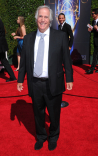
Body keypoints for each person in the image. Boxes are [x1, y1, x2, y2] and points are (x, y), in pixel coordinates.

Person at [17, 5, 73, 151]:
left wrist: (69, 78)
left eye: (46, 17)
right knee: (38, 114)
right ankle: (41, 136)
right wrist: (20, 79)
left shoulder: (60, 36)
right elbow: (23, 62)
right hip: (35, 83)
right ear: (36, 19)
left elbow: (67, 59)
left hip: (53, 82)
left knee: (54, 114)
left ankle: (53, 137)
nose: (43, 20)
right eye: (40, 16)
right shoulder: (28, 38)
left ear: (50, 20)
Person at [58, 13, 73, 107]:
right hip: (60, 47)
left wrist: (70, 46)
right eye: (59, 18)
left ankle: (69, 73)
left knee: (67, 62)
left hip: (66, 47)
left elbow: (71, 36)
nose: (61, 19)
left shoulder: (67, 26)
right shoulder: (58, 26)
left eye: (62, 18)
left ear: (65, 18)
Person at [86, 8, 98, 74]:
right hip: (96, 41)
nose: (92, 15)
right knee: (95, 55)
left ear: (97, 14)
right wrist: (91, 30)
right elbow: (94, 30)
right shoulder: (93, 22)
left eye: (93, 13)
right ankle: (92, 69)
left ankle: (91, 69)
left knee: (95, 55)